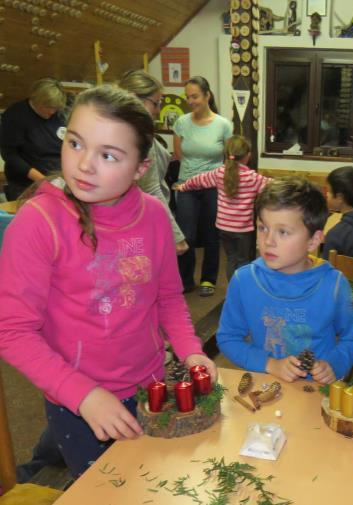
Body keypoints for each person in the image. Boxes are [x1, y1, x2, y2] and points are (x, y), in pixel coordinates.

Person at [0, 86, 217, 478]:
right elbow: (13, 332)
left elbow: (167, 297)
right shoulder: (38, 222)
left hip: (151, 383)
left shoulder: (152, 214)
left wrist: (191, 351)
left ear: (140, 168)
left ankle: (43, 457)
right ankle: (44, 461)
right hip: (78, 401)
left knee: (147, 478)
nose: (84, 165)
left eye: (108, 155)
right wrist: (83, 396)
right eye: (76, 144)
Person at [216, 177, 353, 384]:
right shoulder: (244, 280)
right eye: (262, 228)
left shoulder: (334, 285)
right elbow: (228, 338)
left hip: (316, 393)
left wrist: (333, 364)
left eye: (283, 232)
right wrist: (269, 364)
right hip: (266, 386)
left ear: (313, 240)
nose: (268, 241)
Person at [175, 135, 271, 281]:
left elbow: (198, 180)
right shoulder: (252, 178)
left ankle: (232, 289)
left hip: (224, 228)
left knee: (231, 259)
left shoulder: (219, 173)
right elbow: (273, 185)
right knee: (243, 260)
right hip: (242, 230)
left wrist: (183, 186)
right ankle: (242, 290)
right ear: (248, 156)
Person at [117, 69, 189, 256]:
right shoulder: (139, 134)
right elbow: (151, 188)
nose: (158, 110)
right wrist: (176, 236)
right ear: (134, 98)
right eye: (155, 103)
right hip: (134, 219)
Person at [173, 76, 233, 296]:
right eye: (188, 97)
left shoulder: (223, 125)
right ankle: (186, 280)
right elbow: (179, 155)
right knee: (185, 234)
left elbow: (229, 159)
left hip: (213, 186)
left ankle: (208, 279)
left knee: (211, 234)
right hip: (186, 185)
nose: (191, 101)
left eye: (195, 96)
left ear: (207, 95)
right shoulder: (181, 123)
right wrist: (191, 177)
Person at [0, 78, 66, 200]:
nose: (52, 111)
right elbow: (10, 155)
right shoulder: (15, 115)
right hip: (26, 183)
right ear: (35, 101)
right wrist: (42, 180)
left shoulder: (59, 114)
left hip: (58, 179)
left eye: (55, 108)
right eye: (48, 107)